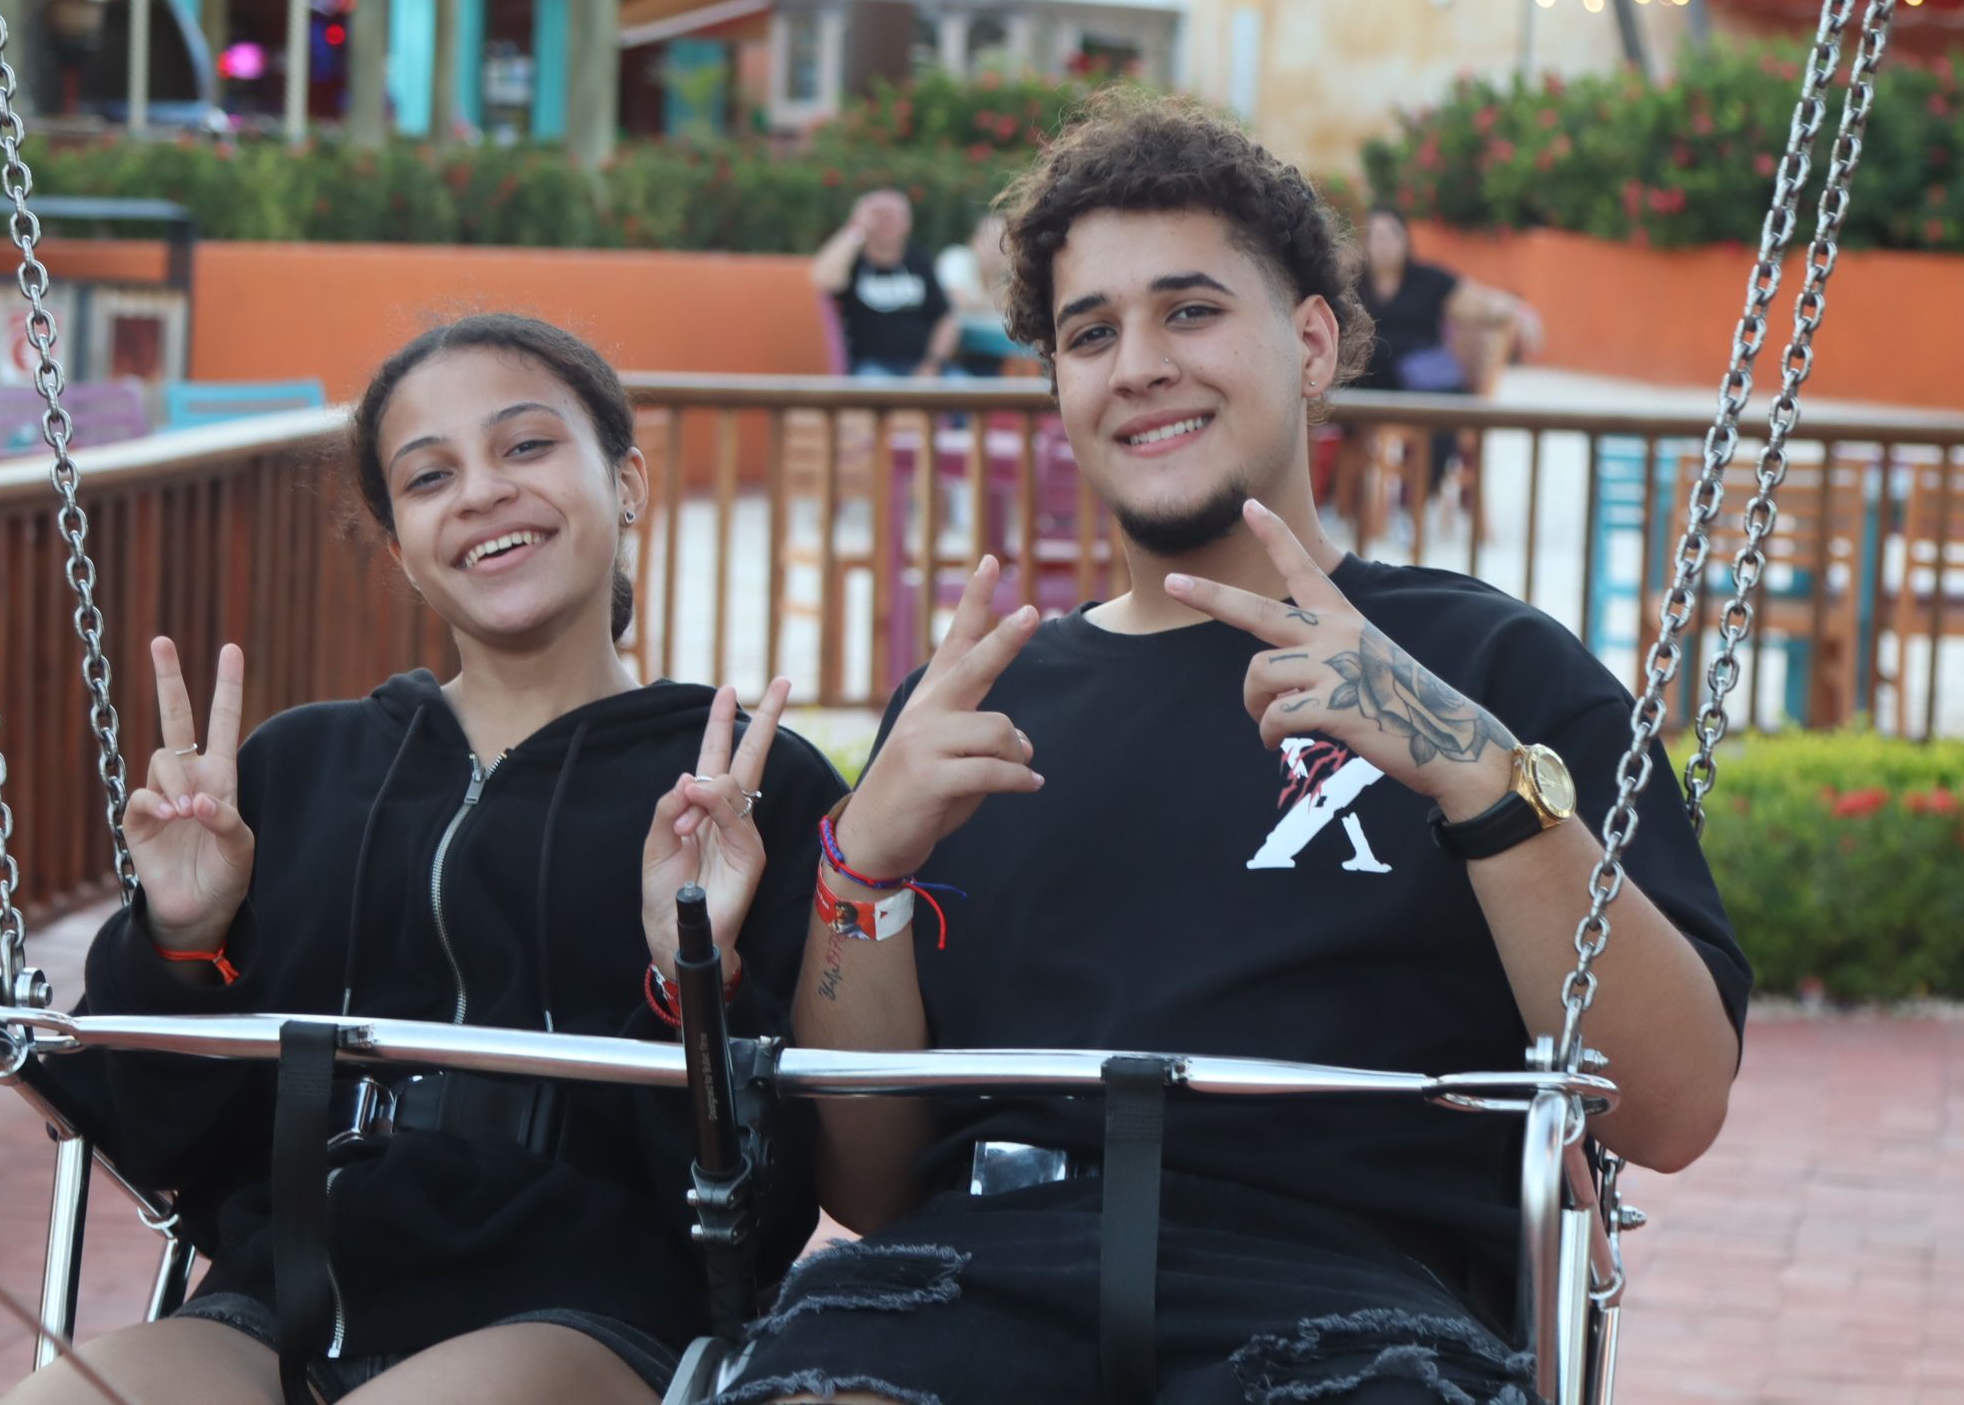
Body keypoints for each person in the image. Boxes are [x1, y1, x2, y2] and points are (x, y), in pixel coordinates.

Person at [723, 94, 1749, 1404]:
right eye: (1091, 333)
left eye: (1191, 311)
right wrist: (859, 871)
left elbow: (1673, 1107)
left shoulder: (1490, 669)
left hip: (1356, 1297)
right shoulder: (969, 707)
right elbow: (871, 1192)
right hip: (980, 1277)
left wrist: (1472, 773)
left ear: (1313, 342)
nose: (1139, 365)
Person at [8, 314, 842, 1405]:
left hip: (592, 1306)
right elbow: (164, 1141)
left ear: (628, 481)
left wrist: (691, 969)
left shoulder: (737, 793)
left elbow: (764, 1202)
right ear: (402, 548)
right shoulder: (298, 770)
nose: (483, 492)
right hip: (285, 1295)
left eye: (526, 445)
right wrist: (180, 938)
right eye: (430, 475)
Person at [1349, 206, 1543, 399]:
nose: (1383, 244)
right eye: (1376, 236)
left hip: (1419, 379)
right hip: (1367, 379)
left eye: (1391, 234)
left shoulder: (1429, 279)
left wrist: (1520, 312)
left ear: (1406, 238)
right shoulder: (1351, 282)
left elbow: (1479, 300)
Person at [809, 190, 960, 378]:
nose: (887, 221)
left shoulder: (919, 260)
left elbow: (946, 318)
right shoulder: (853, 261)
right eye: (879, 215)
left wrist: (932, 365)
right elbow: (823, 280)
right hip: (870, 367)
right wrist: (855, 229)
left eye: (895, 215)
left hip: (924, 367)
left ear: (908, 223)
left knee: (965, 387)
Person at [934, 211, 1034, 378]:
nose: (995, 248)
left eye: (1002, 242)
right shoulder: (956, 259)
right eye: (988, 240)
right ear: (973, 241)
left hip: (994, 358)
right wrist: (1001, 304)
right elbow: (957, 301)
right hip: (949, 360)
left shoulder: (1013, 275)